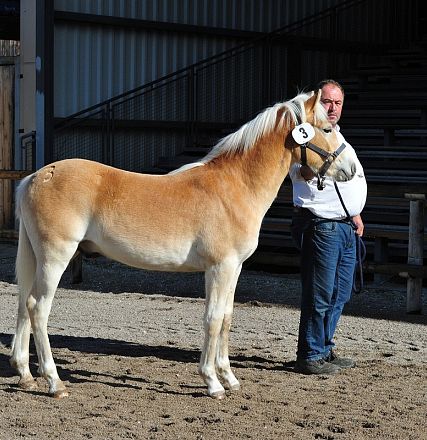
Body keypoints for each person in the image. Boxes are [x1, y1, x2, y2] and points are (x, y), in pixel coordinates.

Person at [290, 79, 367, 375]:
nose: (332, 108)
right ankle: (309, 354)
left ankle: (323, 347)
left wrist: (355, 212)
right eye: (326, 102)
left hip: (346, 224)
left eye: (337, 103)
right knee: (320, 293)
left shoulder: (336, 136)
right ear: (315, 104)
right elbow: (300, 173)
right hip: (321, 225)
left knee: (340, 293)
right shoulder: (305, 137)